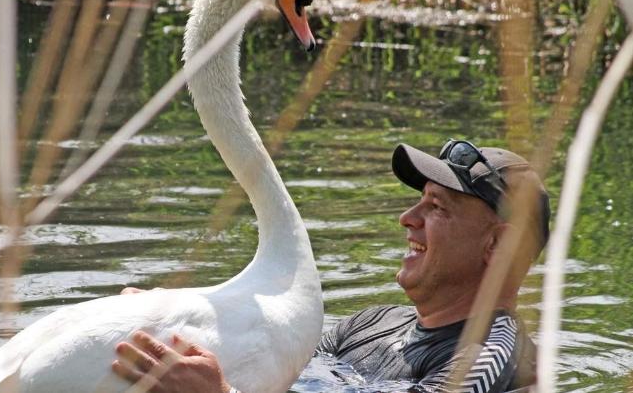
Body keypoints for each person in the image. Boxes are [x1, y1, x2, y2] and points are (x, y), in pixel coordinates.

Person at [111, 139, 551, 393]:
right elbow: (277, 372)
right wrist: (175, 325)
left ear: (498, 245)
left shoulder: (492, 357)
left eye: (437, 207)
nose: (408, 218)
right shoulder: (372, 322)